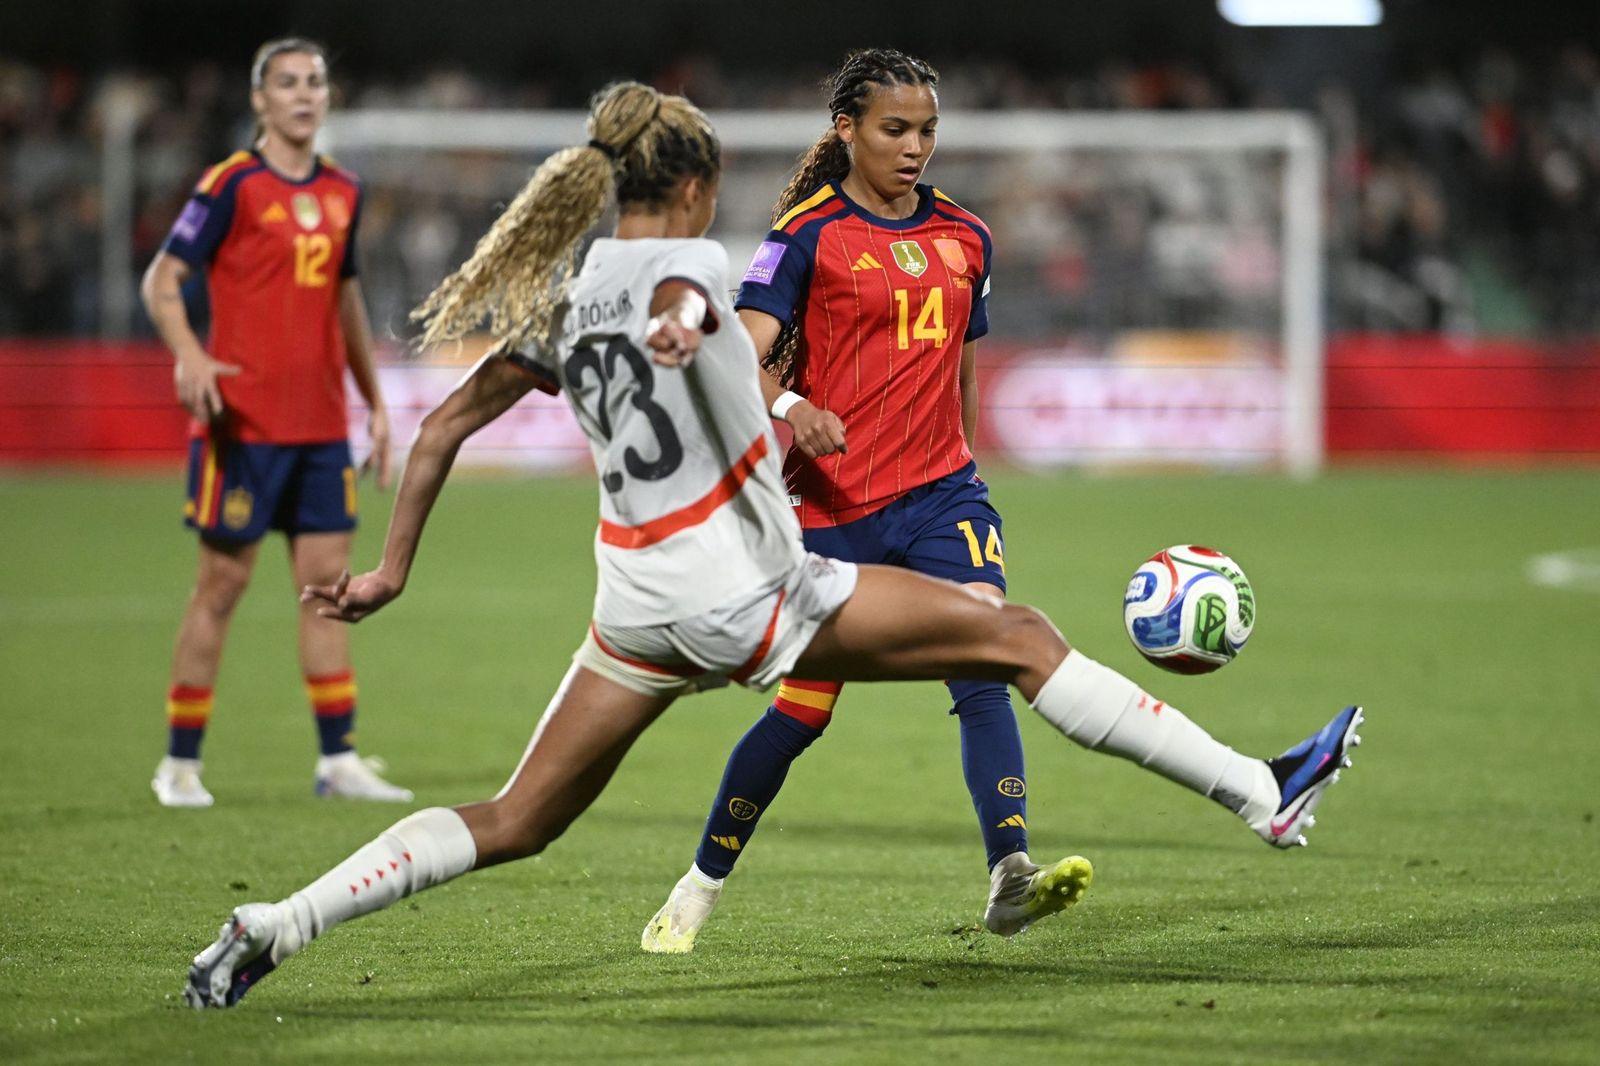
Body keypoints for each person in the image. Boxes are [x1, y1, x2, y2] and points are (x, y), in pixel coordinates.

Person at [181, 81, 1362, 1010]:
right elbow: (696, 318)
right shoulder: (694, 270)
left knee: (515, 819)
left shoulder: (567, 294)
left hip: (632, 606)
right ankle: (1260, 791)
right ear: (694, 187)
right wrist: (727, 356)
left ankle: (277, 923)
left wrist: (391, 570)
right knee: (1016, 635)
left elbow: (441, 426)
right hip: (746, 594)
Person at [641, 48, 1072, 953]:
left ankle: (1010, 870)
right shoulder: (806, 234)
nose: (915, 147)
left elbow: (962, 369)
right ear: (847, 130)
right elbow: (739, 353)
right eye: (895, 129)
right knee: (803, 712)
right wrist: (793, 408)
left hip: (943, 498)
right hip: (834, 510)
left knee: (985, 658)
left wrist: (966, 470)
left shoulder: (967, 236)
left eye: (928, 131)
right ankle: (698, 885)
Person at [142, 37, 411, 807]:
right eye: (287, 83)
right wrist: (190, 355)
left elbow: (346, 300)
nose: (303, 94)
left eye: (314, 82)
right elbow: (163, 278)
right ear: (260, 99)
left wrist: (375, 402)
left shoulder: (344, 190)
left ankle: (338, 760)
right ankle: (179, 765)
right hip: (243, 427)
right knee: (219, 588)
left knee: (327, 592)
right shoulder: (232, 184)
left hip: (321, 429)